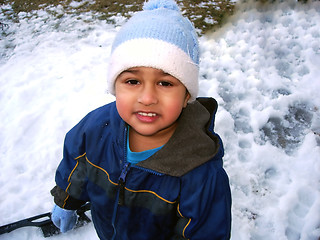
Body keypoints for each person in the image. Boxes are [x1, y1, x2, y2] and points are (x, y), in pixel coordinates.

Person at [50, 0, 232, 239]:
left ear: (187, 94)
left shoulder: (200, 175)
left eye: (165, 83)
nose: (147, 98)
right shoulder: (95, 128)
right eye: (132, 81)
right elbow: (75, 166)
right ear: (115, 86)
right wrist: (66, 200)